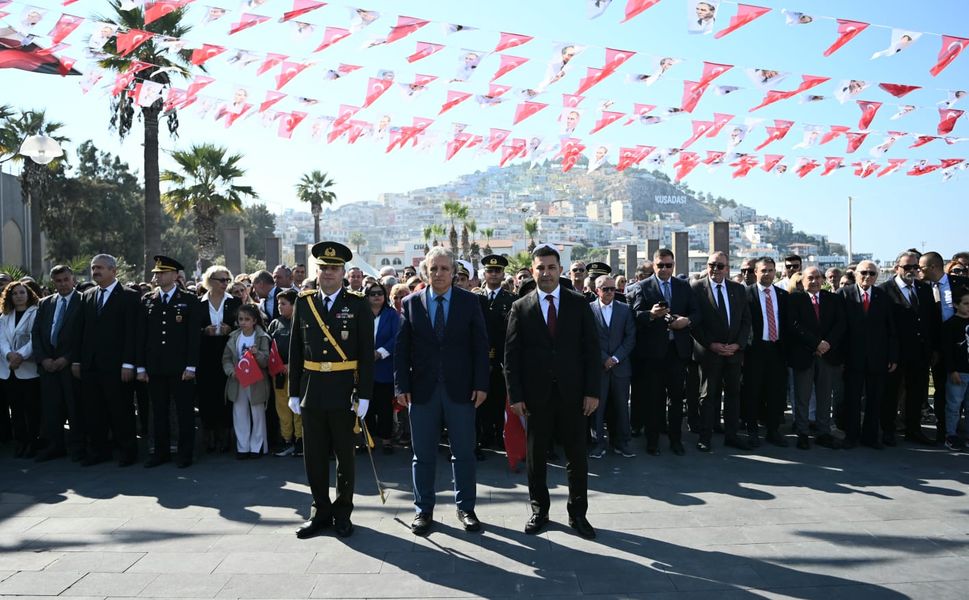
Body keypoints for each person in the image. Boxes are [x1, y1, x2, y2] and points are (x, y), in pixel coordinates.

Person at [505, 244, 601, 539]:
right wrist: (515, 396)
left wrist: (592, 391)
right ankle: (540, 511)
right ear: (532, 271)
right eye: (540, 268)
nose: (545, 273)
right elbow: (512, 356)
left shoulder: (578, 303)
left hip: (574, 394)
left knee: (577, 456)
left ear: (560, 270)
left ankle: (578, 514)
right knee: (536, 456)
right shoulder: (521, 306)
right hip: (536, 397)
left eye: (551, 267)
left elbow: (591, 351)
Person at [395, 247, 489, 536]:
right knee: (421, 454)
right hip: (422, 392)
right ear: (426, 271)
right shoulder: (411, 303)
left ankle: (466, 508)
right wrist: (402, 386)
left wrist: (481, 384)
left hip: (460, 390)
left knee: (463, 452)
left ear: (454, 272)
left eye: (444, 269)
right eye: (433, 269)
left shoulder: (470, 302)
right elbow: (402, 349)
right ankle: (423, 510)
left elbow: (479, 347)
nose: (438, 274)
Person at [289, 241, 374, 539]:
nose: (328, 273)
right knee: (313, 456)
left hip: (343, 392)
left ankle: (342, 512)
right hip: (312, 390)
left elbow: (365, 352)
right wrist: (293, 392)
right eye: (323, 268)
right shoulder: (304, 301)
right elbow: (296, 351)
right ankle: (319, 511)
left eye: (334, 268)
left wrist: (364, 394)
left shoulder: (358, 303)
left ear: (343, 272)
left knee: (344, 457)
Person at [627, 248, 697, 455]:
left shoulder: (683, 286)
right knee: (653, 398)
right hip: (653, 353)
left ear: (673, 265)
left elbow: (696, 312)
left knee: (676, 398)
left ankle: (676, 440)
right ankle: (653, 440)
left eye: (669, 265)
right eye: (661, 266)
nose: (665, 269)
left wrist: (687, 321)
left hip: (677, 351)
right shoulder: (643, 286)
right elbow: (635, 314)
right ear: (654, 266)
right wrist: (651, 314)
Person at [73, 254, 141, 467]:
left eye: (100, 268)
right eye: (93, 268)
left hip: (118, 366)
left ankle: (127, 451)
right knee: (94, 410)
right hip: (91, 365)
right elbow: (80, 331)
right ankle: (99, 450)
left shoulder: (130, 296)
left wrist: (129, 363)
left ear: (113, 270)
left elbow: (132, 333)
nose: (95, 272)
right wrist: (77, 361)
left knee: (120, 410)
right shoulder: (87, 295)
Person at [137, 256, 202, 468]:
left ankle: (185, 454)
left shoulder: (189, 300)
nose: (157, 276)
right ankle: (161, 452)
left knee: (184, 412)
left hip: (180, 367)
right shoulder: (147, 299)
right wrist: (141, 366)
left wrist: (191, 366)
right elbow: (142, 336)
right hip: (155, 366)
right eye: (156, 273)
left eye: (162, 272)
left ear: (175, 275)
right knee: (158, 411)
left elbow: (194, 337)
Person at [690, 251, 753, 452]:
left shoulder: (738, 289)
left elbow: (745, 321)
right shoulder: (697, 288)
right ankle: (705, 437)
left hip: (733, 353)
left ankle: (732, 435)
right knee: (707, 396)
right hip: (709, 353)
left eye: (720, 266)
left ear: (727, 268)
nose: (715, 269)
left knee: (734, 395)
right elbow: (694, 324)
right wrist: (711, 344)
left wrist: (738, 345)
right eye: (711, 265)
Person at [879, 251, 937, 446]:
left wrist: (932, 349)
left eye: (915, 267)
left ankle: (913, 429)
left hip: (920, 353)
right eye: (907, 267)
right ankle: (887, 429)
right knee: (891, 393)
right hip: (896, 354)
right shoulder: (884, 290)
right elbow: (883, 326)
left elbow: (930, 320)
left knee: (917, 393)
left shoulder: (924, 289)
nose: (912, 271)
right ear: (897, 268)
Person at [839, 261, 898, 449]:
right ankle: (851, 436)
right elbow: (838, 328)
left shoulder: (883, 296)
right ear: (855, 274)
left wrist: (893, 356)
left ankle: (871, 437)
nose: (867, 276)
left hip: (877, 357)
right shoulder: (844, 294)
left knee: (874, 399)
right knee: (852, 398)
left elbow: (891, 330)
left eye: (872, 273)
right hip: (851, 357)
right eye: (863, 272)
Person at [32, 265, 84, 462]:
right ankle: (55, 446)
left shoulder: (83, 300)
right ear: (53, 282)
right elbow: (36, 333)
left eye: (65, 279)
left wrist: (67, 358)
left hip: (70, 364)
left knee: (75, 407)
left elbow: (84, 335)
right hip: (48, 365)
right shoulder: (45, 303)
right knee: (51, 408)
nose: (62, 284)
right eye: (58, 281)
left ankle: (78, 447)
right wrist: (43, 358)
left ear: (73, 280)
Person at [789, 267, 845, 449]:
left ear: (823, 280)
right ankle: (803, 432)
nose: (814, 281)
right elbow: (794, 325)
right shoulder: (795, 299)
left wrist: (827, 343)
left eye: (818, 277)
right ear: (802, 280)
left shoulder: (833, 299)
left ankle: (823, 432)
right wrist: (815, 344)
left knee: (824, 396)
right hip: (804, 354)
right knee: (802, 396)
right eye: (810, 278)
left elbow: (840, 324)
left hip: (827, 355)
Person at [919, 251, 969, 443]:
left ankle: (961, 429)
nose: (918, 271)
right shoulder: (922, 288)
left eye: (921, 268)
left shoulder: (960, 283)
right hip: (937, 347)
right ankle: (945, 431)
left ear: (933, 267)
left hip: (962, 344)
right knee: (941, 389)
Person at [740, 257, 790, 448]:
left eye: (770, 270)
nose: (767, 274)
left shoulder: (782, 295)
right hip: (755, 350)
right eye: (763, 270)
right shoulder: (745, 294)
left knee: (776, 392)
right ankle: (752, 431)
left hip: (777, 349)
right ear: (756, 272)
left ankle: (773, 431)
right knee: (753, 391)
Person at [589, 275, 636, 458]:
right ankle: (597, 443)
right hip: (599, 368)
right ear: (597, 291)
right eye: (605, 289)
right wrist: (604, 359)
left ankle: (622, 442)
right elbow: (588, 339)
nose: (610, 292)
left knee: (622, 407)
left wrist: (615, 358)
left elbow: (631, 337)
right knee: (597, 408)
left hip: (620, 367)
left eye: (612, 289)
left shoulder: (625, 309)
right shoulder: (588, 310)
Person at [197, 266, 241, 453]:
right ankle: (209, 435)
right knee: (207, 394)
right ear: (210, 281)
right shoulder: (198, 303)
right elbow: (191, 331)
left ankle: (224, 436)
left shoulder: (234, 302)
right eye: (221, 280)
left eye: (227, 280)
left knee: (226, 393)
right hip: (206, 353)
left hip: (228, 351)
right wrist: (203, 331)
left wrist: (230, 330)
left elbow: (244, 325)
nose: (225, 284)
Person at [477, 255, 516, 457]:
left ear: (502, 274)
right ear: (484, 273)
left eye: (497, 271)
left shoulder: (512, 301)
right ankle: (484, 435)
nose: (493, 274)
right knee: (481, 399)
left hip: (502, 359)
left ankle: (501, 435)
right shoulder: (475, 298)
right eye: (490, 271)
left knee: (500, 398)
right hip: (480, 358)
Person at [222, 304, 271, 458]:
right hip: (238, 380)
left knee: (257, 413)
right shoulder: (234, 337)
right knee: (239, 412)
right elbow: (227, 359)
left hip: (256, 380)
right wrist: (231, 372)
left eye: (247, 319)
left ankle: (257, 447)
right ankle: (242, 447)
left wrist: (257, 354)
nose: (243, 322)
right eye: (240, 319)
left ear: (254, 320)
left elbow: (266, 362)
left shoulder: (262, 336)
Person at [1, 281, 40, 458]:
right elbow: (1, 341)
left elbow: (35, 339)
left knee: (31, 408)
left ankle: (32, 442)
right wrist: (10, 355)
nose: (18, 296)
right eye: (14, 293)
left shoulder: (36, 313)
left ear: (28, 294)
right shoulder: (4, 316)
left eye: (22, 292)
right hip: (9, 369)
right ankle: (21, 442)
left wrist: (20, 356)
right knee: (15, 409)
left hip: (28, 369)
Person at [366, 280, 399, 453]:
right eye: (373, 293)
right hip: (364, 368)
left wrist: (380, 352)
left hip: (384, 367)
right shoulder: (362, 313)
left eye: (380, 293)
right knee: (366, 406)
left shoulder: (392, 314)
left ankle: (386, 440)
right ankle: (368, 440)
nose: (377, 296)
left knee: (385, 406)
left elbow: (397, 337)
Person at [269, 289, 302, 457]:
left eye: (284, 304)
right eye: (278, 304)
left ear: (294, 304)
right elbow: (270, 348)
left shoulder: (302, 322)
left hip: (297, 374)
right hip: (279, 374)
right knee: (282, 407)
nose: (280, 307)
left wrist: (292, 365)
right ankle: (286, 439)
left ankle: (300, 441)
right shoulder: (275, 323)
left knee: (297, 408)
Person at [941, 288, 969, 450]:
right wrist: (952, 370)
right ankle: (951, 435)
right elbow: (948, 351)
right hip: (959, 371)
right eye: (966, 304)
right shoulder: (950, 325)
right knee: (954, 405)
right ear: (956, 305)